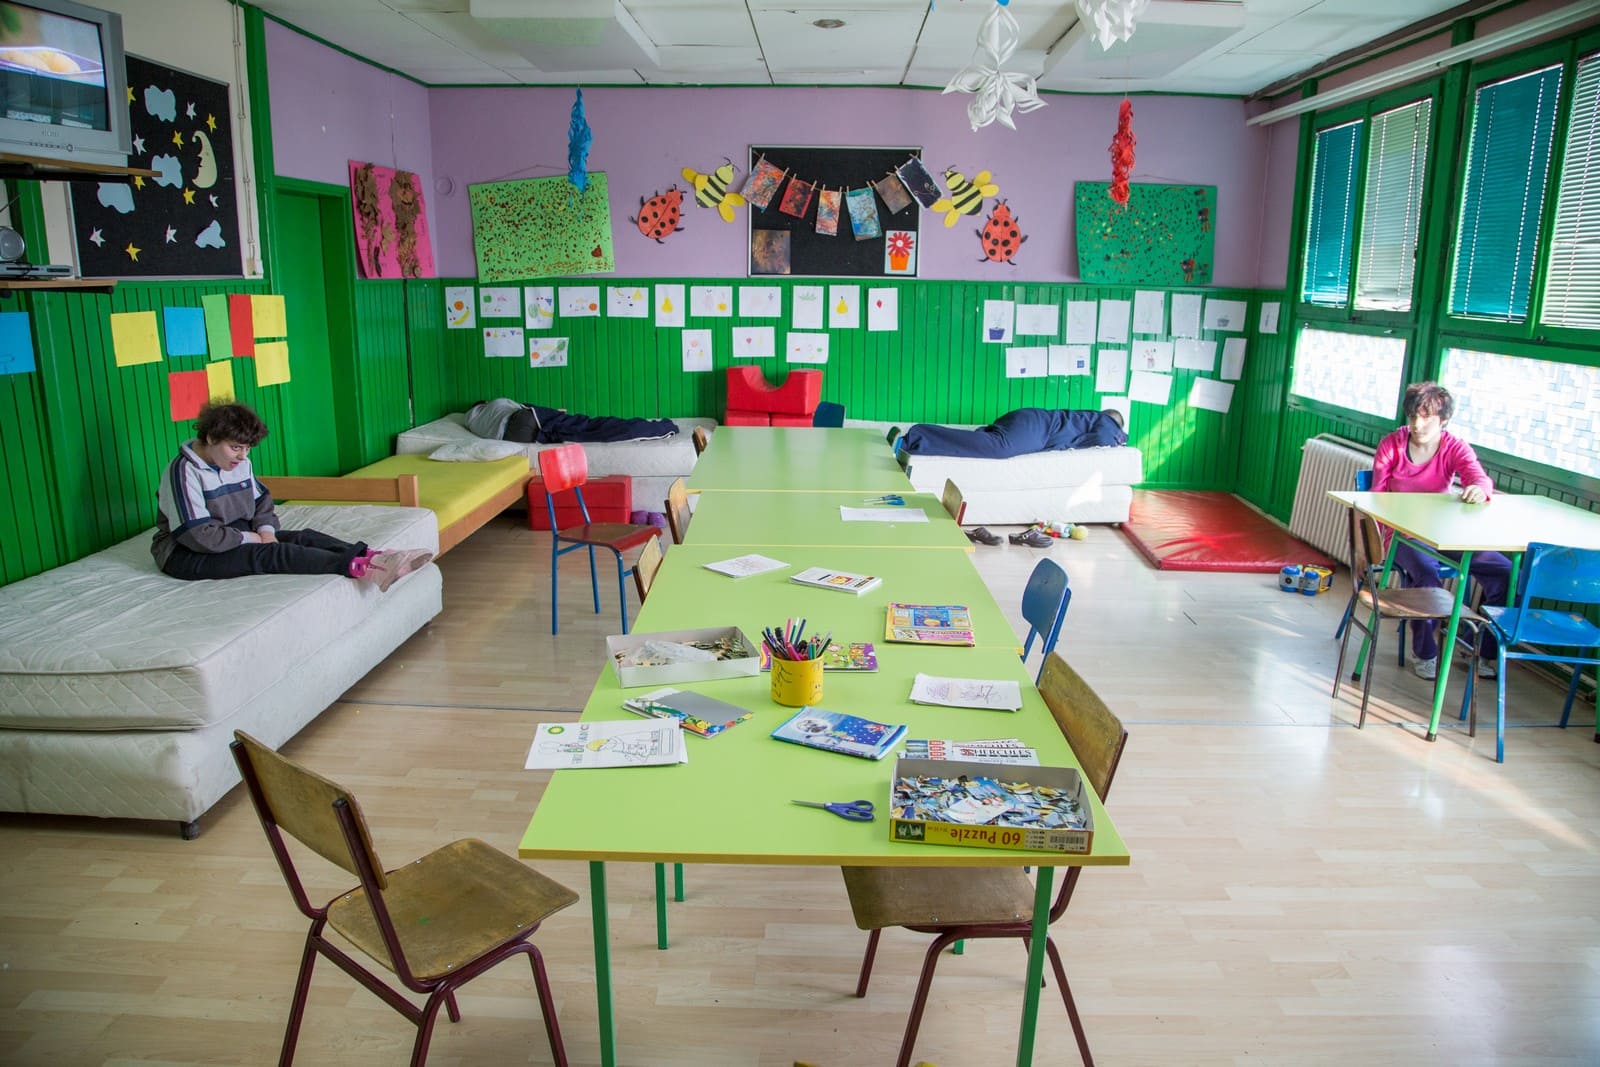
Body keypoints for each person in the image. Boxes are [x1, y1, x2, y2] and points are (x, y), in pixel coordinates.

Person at [152, 403, 433, 591]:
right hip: (183, 553)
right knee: (271, 554)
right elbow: (197, 534)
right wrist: (254, 539)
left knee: (303, 537)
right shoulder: (184, 471)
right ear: (211, 438)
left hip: (230, 533)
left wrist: (265, 531)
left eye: (247, 449)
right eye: (236, 447)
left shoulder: (237, 462)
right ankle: (360, 567)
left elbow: (261, 501)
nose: (242, 456)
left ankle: (376, 557)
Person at [1371, 381, 1509, 680]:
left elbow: (1480, 478)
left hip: (1443, 533)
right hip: (1402, 534)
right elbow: (1376, 496)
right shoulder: (1392, 444)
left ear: (1443, 420)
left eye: (1426, 418)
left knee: (1506, 572)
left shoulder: (1454, 446)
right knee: (1426, 574)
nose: (1417, 425)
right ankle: (1425, 653)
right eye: (1412, 417)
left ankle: (1480, 649)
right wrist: (1379, 541)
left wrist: (1479, 489)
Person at [894, 408, 1127, 459]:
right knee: (1000, 448)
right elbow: (1107, 438)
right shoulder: (1109, 423)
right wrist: (1122, 440)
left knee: (993, 442)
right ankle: (915, 437)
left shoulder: (1088, 420)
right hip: (1038, 427)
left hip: (1031, 421)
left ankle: (917, 438)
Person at [465, 399, 678, 445]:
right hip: (524, 419)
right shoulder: (496, 403)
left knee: (579, 431)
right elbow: (523, 407)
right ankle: (662, 427)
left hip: (515, 437)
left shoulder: (470, 421)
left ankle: (656, 428)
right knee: (592, 425)